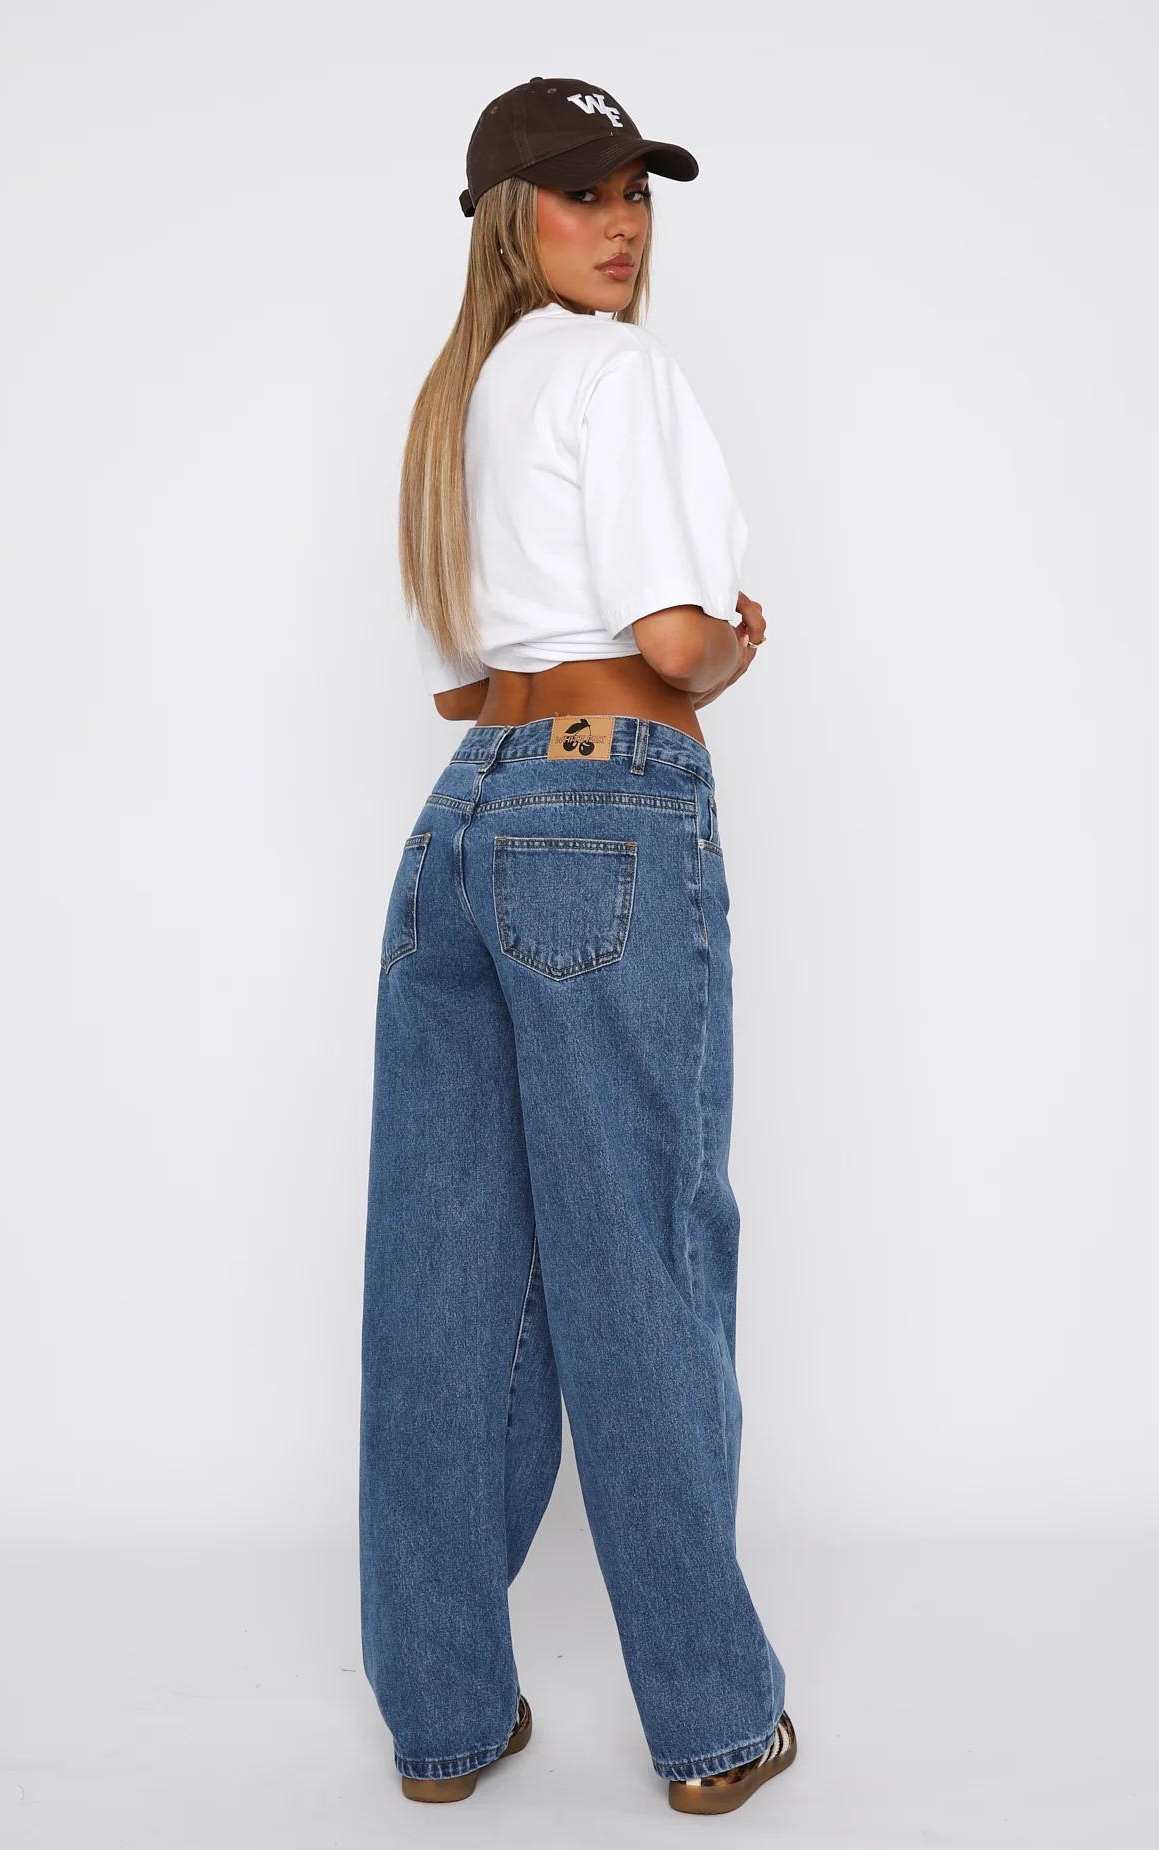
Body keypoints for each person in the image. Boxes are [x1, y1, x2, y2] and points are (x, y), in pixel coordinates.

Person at [358, 75, 797, 1817]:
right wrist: (732, 648)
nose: (620, 224)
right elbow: (674, 643)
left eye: (636, 193)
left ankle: (445, 1720)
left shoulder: (454, 408)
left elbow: (461, 687)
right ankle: (713, 1723)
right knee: (641, 1266)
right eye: (582, 193)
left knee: (445, 1287)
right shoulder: (618, 374)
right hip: (609, 811)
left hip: (463, 821)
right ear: (509, 219)